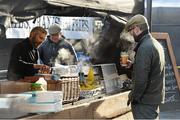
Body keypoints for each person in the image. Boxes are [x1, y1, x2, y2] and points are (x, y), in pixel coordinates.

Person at [121, 14, 165, 119]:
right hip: (152, 100)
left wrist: (133, 98)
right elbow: (152, 69)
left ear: (136, 28)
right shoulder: (155, 43)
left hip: (144, 103)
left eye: (131, 31)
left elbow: (141, 80)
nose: (131, 35)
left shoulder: (144, 48)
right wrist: (133, 66)